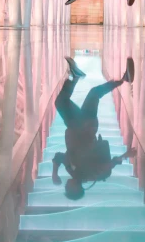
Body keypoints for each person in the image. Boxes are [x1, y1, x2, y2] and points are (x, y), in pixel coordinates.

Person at [52, 56, 137, 200]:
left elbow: (58, 157)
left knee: (91, 94)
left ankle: (78, 76)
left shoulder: (71, 170)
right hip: (84, 127)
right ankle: (77, 76)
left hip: (78, 125)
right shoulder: (89, 174)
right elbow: (108, 165)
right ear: (76, 189)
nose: (66, 186)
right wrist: (125, 155)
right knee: (64, 101)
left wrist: (55, 173)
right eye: (68, 189)